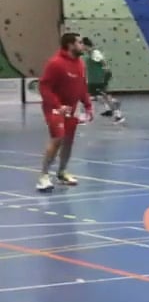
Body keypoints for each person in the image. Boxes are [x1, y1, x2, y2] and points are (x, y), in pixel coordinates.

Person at [36, 33, 93, 192]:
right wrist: (57, 105)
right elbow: (44, 87)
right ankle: (43, 176)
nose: (82, 45)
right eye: (79, 42)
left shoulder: (81, 64)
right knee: (58, 138)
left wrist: (88, 106)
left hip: (72, 109)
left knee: (68, 140)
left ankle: (62, 172)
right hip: (54, 108)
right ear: (70, 45)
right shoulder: (55, 63)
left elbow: (82, 87)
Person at [80, 37, 124, 123]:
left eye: (81, 44)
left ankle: (118, 114)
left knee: (99, 97)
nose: (80, 46)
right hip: (92, 80)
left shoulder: (95, 53)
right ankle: (113, 107)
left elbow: (103, 63)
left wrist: (105, 78)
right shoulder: (89, 54)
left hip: (98, 80)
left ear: (85, 45)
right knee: (99, 97)